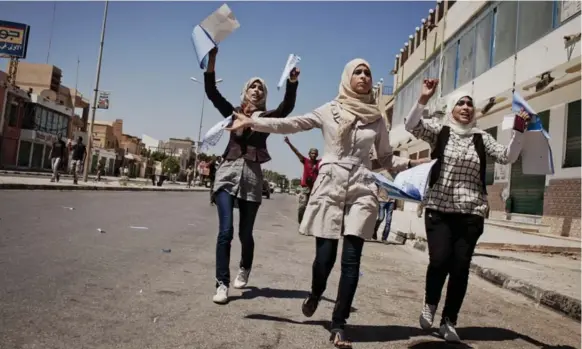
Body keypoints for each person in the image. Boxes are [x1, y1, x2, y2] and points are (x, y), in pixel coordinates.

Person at [227, 58, 426, 348]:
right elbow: (291, 123)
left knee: (352, 259)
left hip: (362, 187)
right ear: (347, 77)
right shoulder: (329, 110)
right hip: (330, 185)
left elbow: (384, 158)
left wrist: (414, 162)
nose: (363, 76)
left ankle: (339, 323)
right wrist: (253, 121)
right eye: (357, 72)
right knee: (324, 259)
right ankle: (316, 292)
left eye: (367, 72)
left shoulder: (377, 118)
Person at [404, 79, 528, 343]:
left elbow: (507, 156)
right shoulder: (440, 132)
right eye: (460, 102)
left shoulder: (482, 138)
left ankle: (449, 321)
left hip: (471, 212)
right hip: (438, 209)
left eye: (470, 104)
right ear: (451, 109)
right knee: (439, 260)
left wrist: (519, 131)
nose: (466, 107)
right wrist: (423, 99)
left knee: (460, 268)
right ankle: (430, 304)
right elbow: (411, 125)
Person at [204, 47, 300, 304]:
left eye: (261, 88)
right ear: (245, 91)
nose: (256, 90)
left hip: (252, 178)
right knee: (226, 230)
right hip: (227, 173)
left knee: (245, 234)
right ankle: (222, 284)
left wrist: (292, 83)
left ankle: (245, 266)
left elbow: (286, 108)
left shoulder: (266, 118)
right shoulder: (232, 113)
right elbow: (212, 93)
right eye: (252, 87)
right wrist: (212, 60)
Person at [283, 136, 321, 224]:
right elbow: (296, 152)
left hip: (316, 189)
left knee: (315, 207)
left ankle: (312, 223)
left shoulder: (319, 162)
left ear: (317, 155)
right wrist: (289, 143)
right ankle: (301, 222)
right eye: (312, 153)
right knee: (302, 205)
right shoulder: (305, 161)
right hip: (305, 188)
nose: (314, 155)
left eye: (315, 153)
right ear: (309, 154)